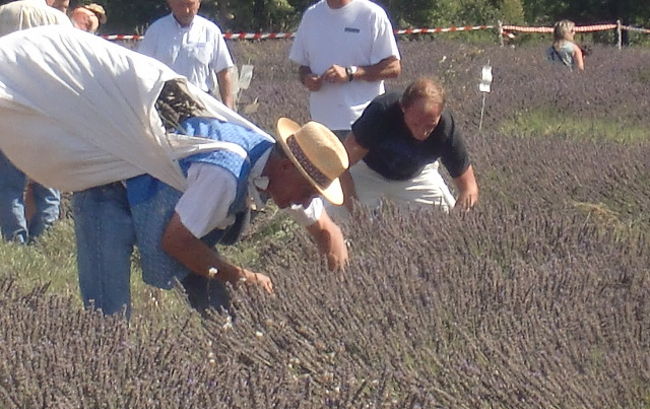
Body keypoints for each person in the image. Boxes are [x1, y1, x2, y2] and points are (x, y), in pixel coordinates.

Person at [0, 26, 349, 317]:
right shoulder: (224, 174)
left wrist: (334, 298)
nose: (304, 202)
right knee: (107, 318)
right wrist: (241, 276)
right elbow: (177, 242)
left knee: (212, 280)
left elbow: (325, 229)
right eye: (307, 192)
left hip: (156, 196)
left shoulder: (272, 156)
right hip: (108, 192)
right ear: (287, 166)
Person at [333, 77, 478, 217]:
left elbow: (469, 188)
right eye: (416, 123)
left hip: (417, 176)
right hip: (368, 172)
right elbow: (341, 164)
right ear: (403, 108)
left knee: (447, 222)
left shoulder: (445, 128)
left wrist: (458, 215)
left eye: (430, 126)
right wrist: (353, 206)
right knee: (338, 216)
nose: (423, 132)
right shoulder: (381, 112)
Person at [0, 0, 70, 244]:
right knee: (50, 181)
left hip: (9, 107)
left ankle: (14, 240)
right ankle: (45, 239)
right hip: (49, 109)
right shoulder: (59, 20)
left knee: (8, 183)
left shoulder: (4, 14)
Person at [289, 0, 401, 139]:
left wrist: (351, 73)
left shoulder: (372, 14)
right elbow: (303, 66)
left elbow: (393, 67)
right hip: (321, 127)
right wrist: (307, 78)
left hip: (364, 125)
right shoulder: (311, 16)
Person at [138, 0, 235, 109]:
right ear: (170, 3)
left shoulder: (210, 31)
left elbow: (223, 71)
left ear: (198, 3)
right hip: (166, 105)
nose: (186, 10)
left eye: (190, 4)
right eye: (181, 5)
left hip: (202, 104)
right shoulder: (155, 31)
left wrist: (228, 109)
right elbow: (142, 70)